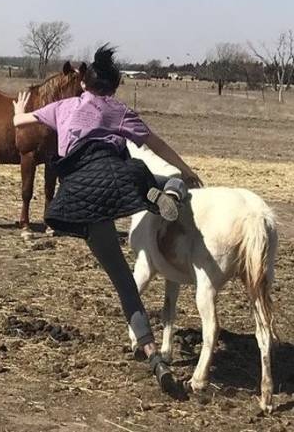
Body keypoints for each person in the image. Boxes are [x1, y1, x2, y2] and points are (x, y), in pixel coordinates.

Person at [13, 45, 202, 393]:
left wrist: (20, 110)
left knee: (124, 283)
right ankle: (167, 196)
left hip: (81, 194)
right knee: (167, 181)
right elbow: (155, 144)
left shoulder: (63, 106)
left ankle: (151, 353)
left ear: (85, 83)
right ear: (113, 88)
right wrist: (186, 171)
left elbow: (20, 123)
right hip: (123, 176)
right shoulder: (119, 110)